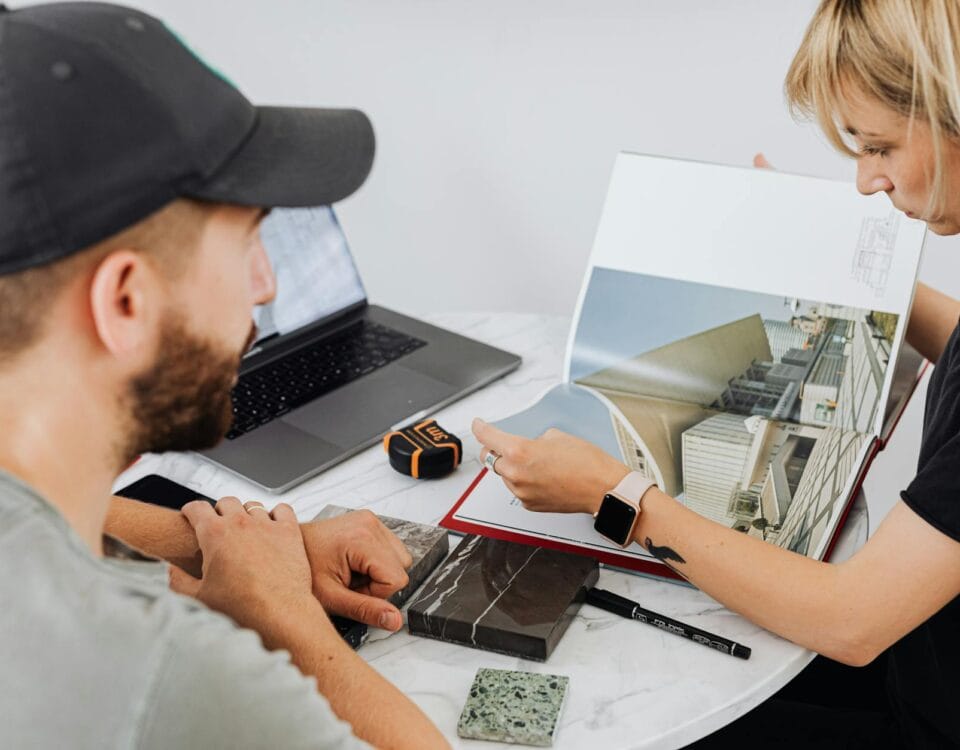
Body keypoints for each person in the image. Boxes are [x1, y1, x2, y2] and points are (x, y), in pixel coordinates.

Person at [473, 1, 960, 747]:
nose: (866, 181)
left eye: (879, 147)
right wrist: (831, 259)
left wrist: (618, 497)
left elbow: (853, 620)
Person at [0, 3, 448, 748]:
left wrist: (227, 546)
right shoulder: (152, 668)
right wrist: (286, 617)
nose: (266, 285)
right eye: (245, 241)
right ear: (126, 302)